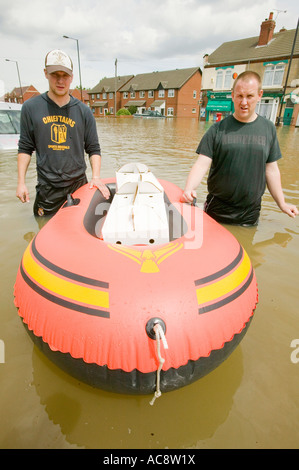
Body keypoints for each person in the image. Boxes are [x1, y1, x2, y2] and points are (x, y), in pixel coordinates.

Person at [182, 71, 298, 225]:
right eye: (239, 96)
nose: (244, 102)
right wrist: (189, 189)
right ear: (232, 95)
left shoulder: (268, 129)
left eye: (249, 96)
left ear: (259, 95)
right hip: (217, 211)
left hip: (250, 214)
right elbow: (202, 164)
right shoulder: (217, 129)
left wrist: (282, 203)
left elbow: (271, 170)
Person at [16, 49, 110, 217]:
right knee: (45, 233)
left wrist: (96, 177)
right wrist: (21, 183)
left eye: (65, 75)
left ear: (72, 76)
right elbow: (25, 148)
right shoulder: (30, 108)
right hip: (47, 190)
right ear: (45, 73)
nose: (60, 81)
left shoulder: (84, 111)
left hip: (78, 187)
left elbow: (93, 148)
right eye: (55, 75)